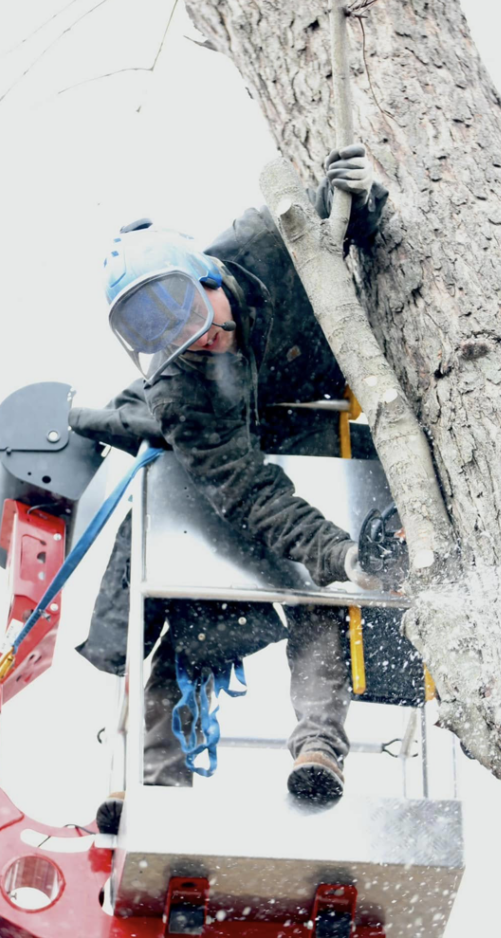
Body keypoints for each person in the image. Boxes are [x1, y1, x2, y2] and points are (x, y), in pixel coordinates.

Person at [71, 144, 389, 803]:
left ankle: (318, 748)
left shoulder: (267, 243)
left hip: (319, 412)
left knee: (320, 595)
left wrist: (366, 198)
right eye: (177, 336)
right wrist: (332, 547)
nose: (201, 338)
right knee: (189, 608)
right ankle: (161, 779)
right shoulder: (180, 388)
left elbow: (353, 227)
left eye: (197, 317)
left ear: (209, 277)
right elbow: (246, 491)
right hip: (231, 454)